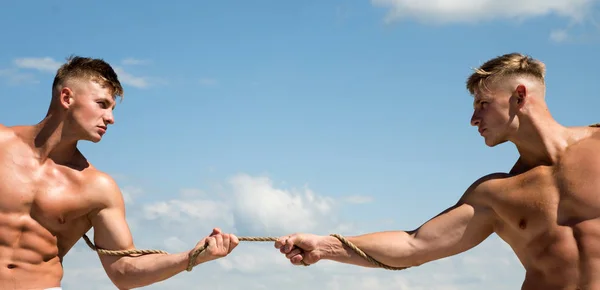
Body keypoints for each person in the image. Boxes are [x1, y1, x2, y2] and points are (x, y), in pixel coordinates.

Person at [274, 52, 600, 289]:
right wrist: (325, 245)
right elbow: (414, 245)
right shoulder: (495, 194)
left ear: (519, 96)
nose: (473, 120)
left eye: (482, 105)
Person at [0, 56, 239, 290]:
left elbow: (123, 271)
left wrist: (192, 257)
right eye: (102, 104)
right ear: (66, 97)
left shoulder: (97, 187)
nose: (111, 118)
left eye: (112, 108)